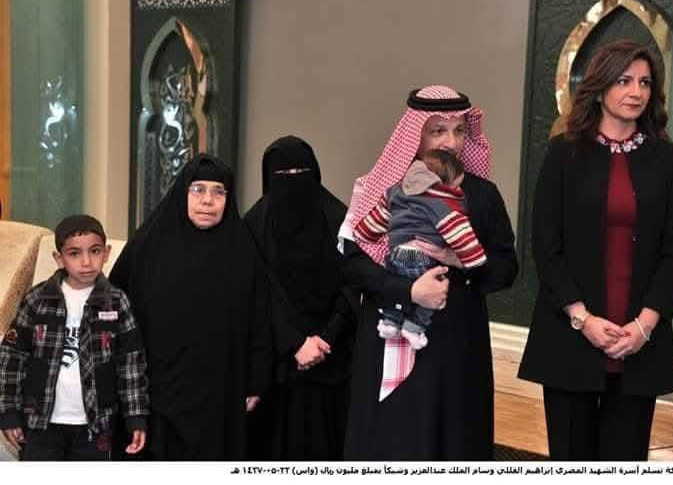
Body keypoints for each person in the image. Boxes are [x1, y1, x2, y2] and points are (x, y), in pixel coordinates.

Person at [518, 40, 673, 460]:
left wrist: (644, 326)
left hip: (639, 343)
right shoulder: (563, 153)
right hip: (570, 337)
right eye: (624, 81)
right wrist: (583, 319)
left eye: (645, 82)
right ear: (599, 88)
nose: (636, 92)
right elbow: (546, 246)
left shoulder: (667, 159)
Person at [340, 85, 518, 459]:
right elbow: (352, 263)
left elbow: (506, 268)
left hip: (456, 343)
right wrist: (408, 291)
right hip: (388, 333)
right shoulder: (380, 187)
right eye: (438, 130)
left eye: (459, 131)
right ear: (415, 133)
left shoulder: (482, 194)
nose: (450, 142)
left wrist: (461, 264)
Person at [109, 155, 271, 460]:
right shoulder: (148, 246)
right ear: (182, 192)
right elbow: (116, 309)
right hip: (157, 393)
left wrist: (256, 380)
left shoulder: (243, 252)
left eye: (218, 192)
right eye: (198, 190)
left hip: (220, 392)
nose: (208, 200)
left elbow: (260, 321)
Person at [244, 135, 358, 460]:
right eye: (283, 175)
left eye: (301, 172)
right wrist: (295, 342)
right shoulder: (253, 227)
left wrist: (327, 337)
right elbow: (257, 293)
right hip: (279, 367)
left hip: (335, 361)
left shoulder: (340, 221)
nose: (293, 182)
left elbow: (353, 284)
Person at [0, 215, 149, 460]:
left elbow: (131, 363)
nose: (86, 262)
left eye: (95, 251)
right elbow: (12, 357)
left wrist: (135, 417)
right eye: (74, 253)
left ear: (106, 253)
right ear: (59, 258)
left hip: (96, 425)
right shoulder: (37, 300)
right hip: (41, 423)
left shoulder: (117, 302)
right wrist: (8, 412)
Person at [354, 149, 487, 349]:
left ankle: (390, 322)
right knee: (435, 290)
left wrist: (364, 234)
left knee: (400, 289)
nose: (458, 189)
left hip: (395, 255)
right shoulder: (443, 202)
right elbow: (458, 231)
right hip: (422, 258)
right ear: (443, 183)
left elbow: (377, 219)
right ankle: (414, 327)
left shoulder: (396, 190)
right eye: (456, 185)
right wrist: (473, 259)